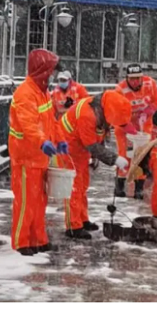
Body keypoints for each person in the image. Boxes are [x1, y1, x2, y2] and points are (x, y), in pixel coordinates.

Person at [53, 90, 133, 239]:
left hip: (80, 148)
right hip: (68, 148)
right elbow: (92, 145)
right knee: (74, 187)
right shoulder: (87, 115)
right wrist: (114, 159)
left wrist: (96, 156)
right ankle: (73, 226)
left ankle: (82, 219)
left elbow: (99, 135)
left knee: (83, 185)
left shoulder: (101, 109)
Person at [9, 48, 64, 256]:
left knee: (39, 202)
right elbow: (29, 125)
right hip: (26, 157)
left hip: (40, 157)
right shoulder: (25, 94)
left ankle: (39, 239)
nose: (53, 76)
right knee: (25, 202)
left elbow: (51, 121)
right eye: (51, 72)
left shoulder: (43, 92)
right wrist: (42, 142)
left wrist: (59, 140)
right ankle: (21, 242)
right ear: (42, 71)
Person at [114, 64, 157, 198]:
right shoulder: (120, 90)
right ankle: (119, 186)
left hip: (144, 125)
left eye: (138, 78)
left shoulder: (150, 84)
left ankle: (139, 188)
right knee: (124, 155)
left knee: (142, 156)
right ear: (127, 78)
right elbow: (115, 111)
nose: (135, 81)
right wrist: (126, 124)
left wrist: (147, 112)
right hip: (124, 126)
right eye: (132, 79)